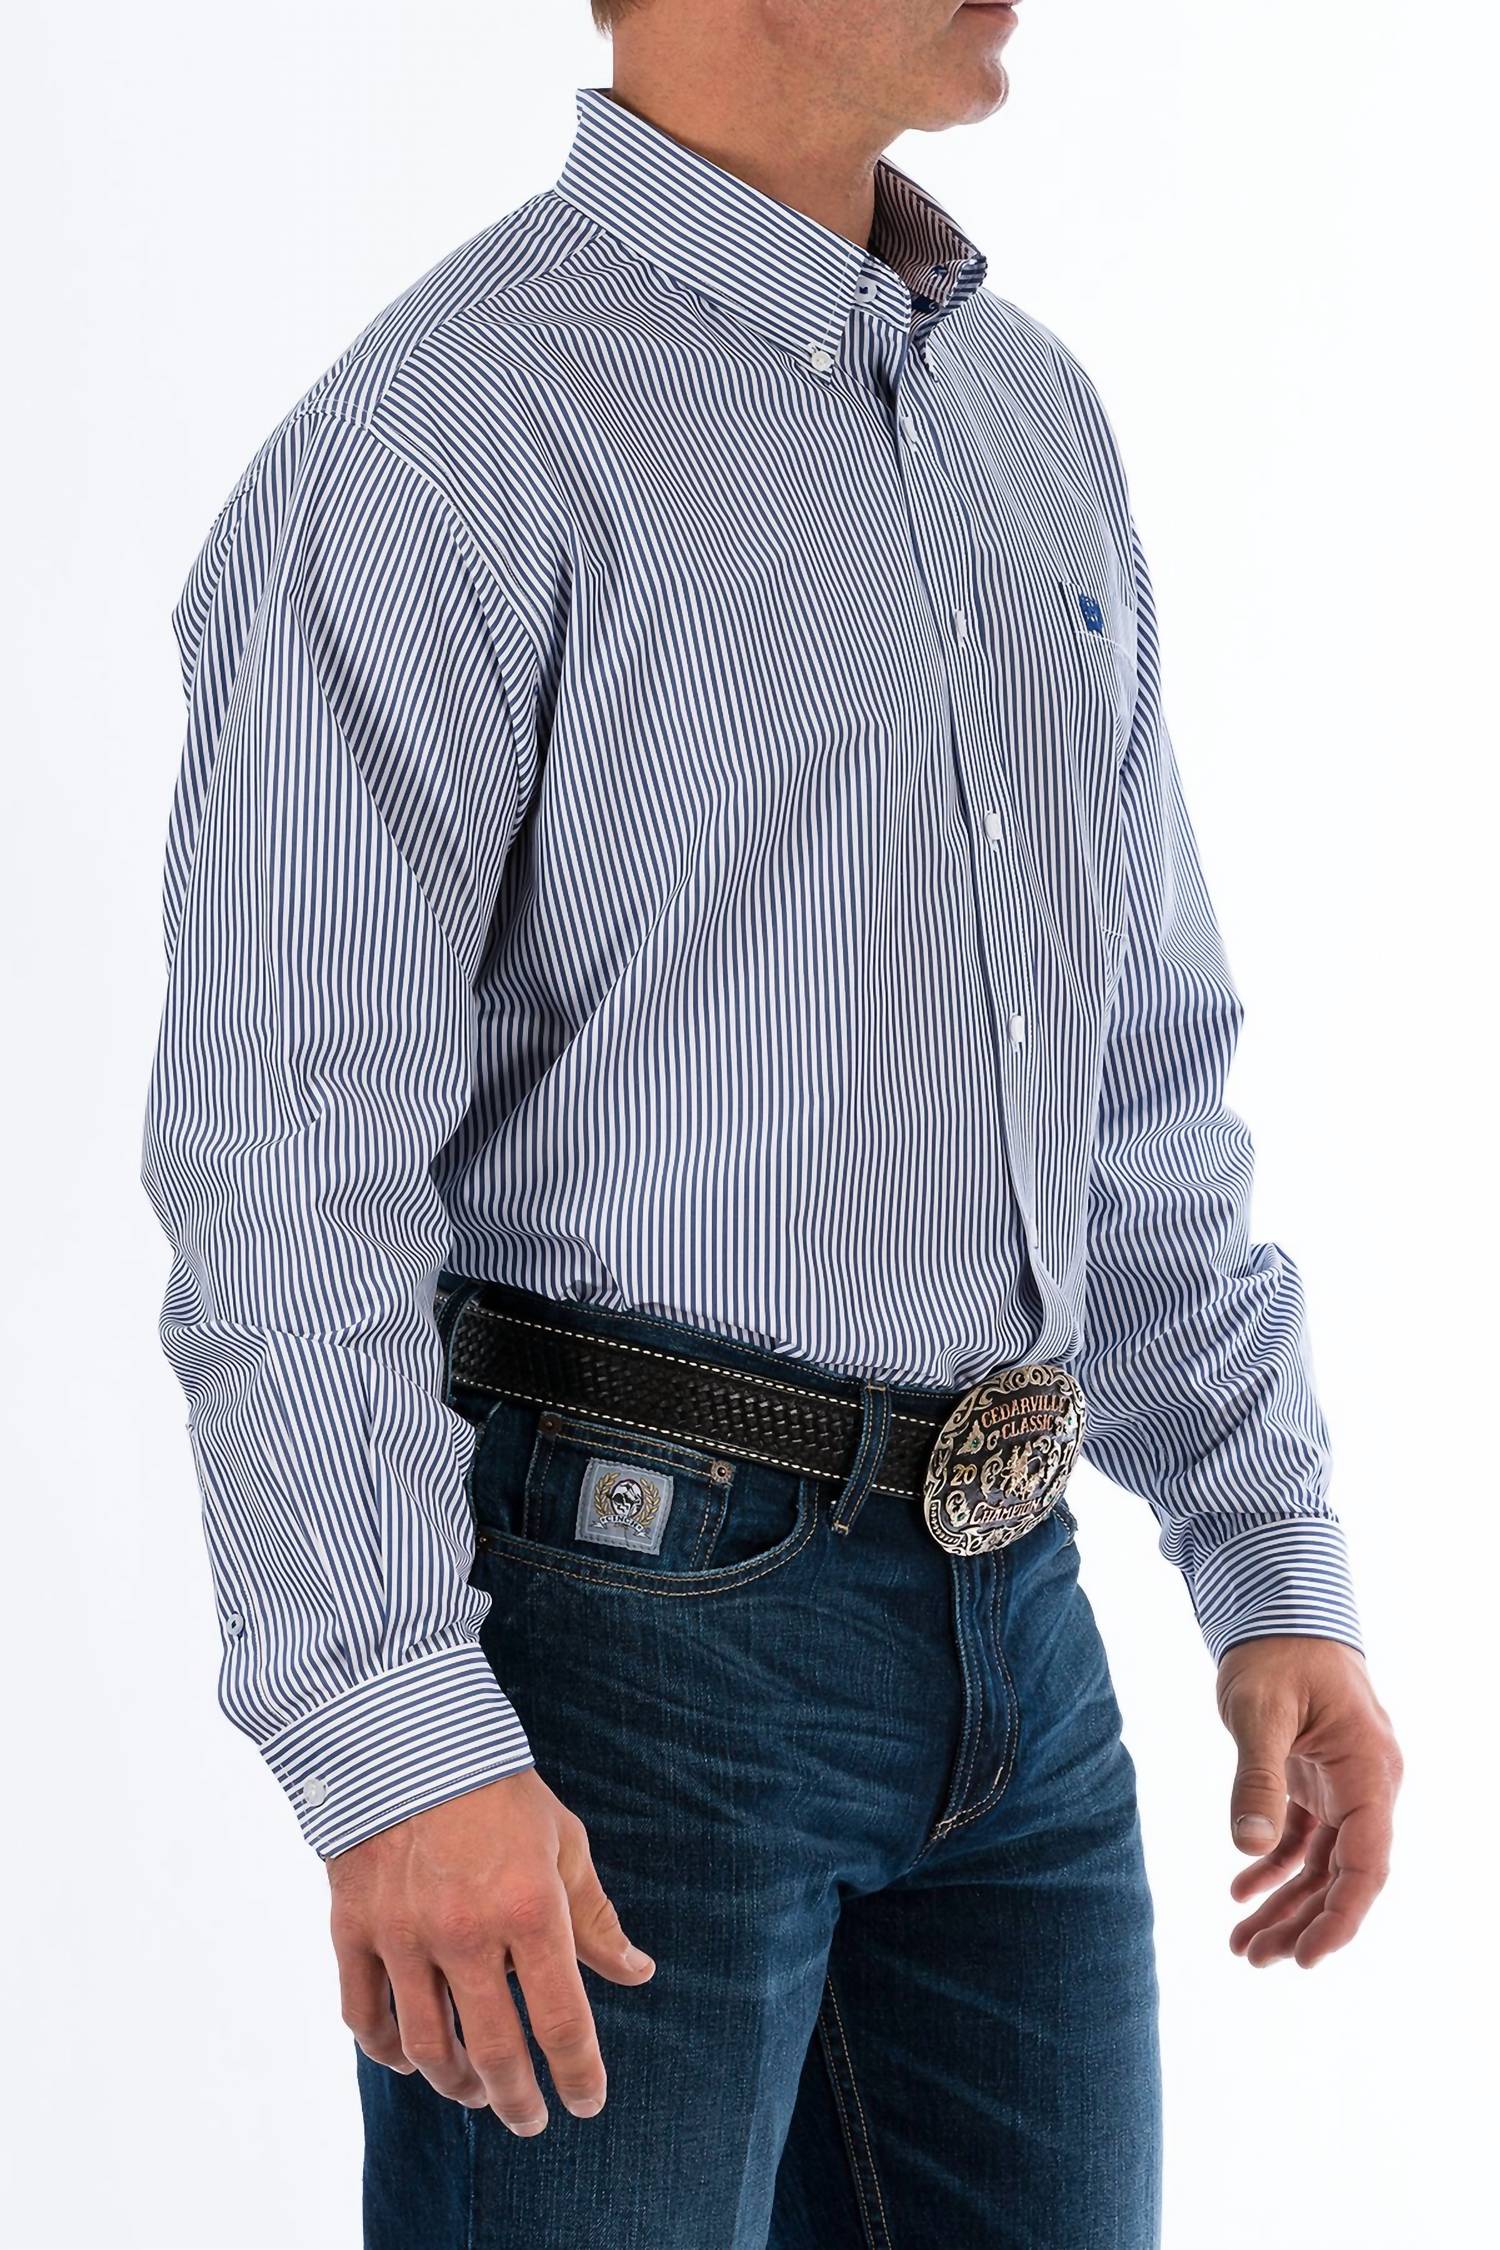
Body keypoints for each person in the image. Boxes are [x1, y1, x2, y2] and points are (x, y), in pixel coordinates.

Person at [139, 4, 1403, 2244]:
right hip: (621, 1643)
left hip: (1018, 1640)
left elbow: (1130, 1070)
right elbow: (286, 1151)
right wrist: (397, 1741)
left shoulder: (1028, 416)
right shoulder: (450, 425)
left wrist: (1266, 1553)